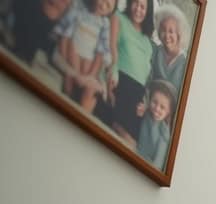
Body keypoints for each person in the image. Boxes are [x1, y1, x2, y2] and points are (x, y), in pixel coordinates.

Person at [102, 0, 154, 144]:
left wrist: (145, 101)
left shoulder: (147, 43)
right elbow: (111, 47)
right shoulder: (119, 18)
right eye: (135, 3)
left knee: (134, 142)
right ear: (130, 3)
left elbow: (145, 74)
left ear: (147, 11)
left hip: (137, 95)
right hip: (121, 82)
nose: (138, 9)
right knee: (126, 139)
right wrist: (112, 72)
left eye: (143, 6)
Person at [55, 0, 115, 113]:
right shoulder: (79, 8)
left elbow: (101, 53)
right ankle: (68, 96)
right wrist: (68, 66)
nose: (103, 5)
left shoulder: (104, 23)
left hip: (89, 65)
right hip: (70, 56)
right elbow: (65, 38)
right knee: (73, 50)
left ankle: (82, 111)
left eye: (108, 5)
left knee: (91, 85)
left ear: (110, 10)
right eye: (103, 0)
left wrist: (89, 77)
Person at [136, 78, 174, 169]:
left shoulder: (164, 133)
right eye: (154, 102)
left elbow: (158, 162)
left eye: (162, 107)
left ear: (169, 111)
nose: (157, 109)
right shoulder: (146, 113)